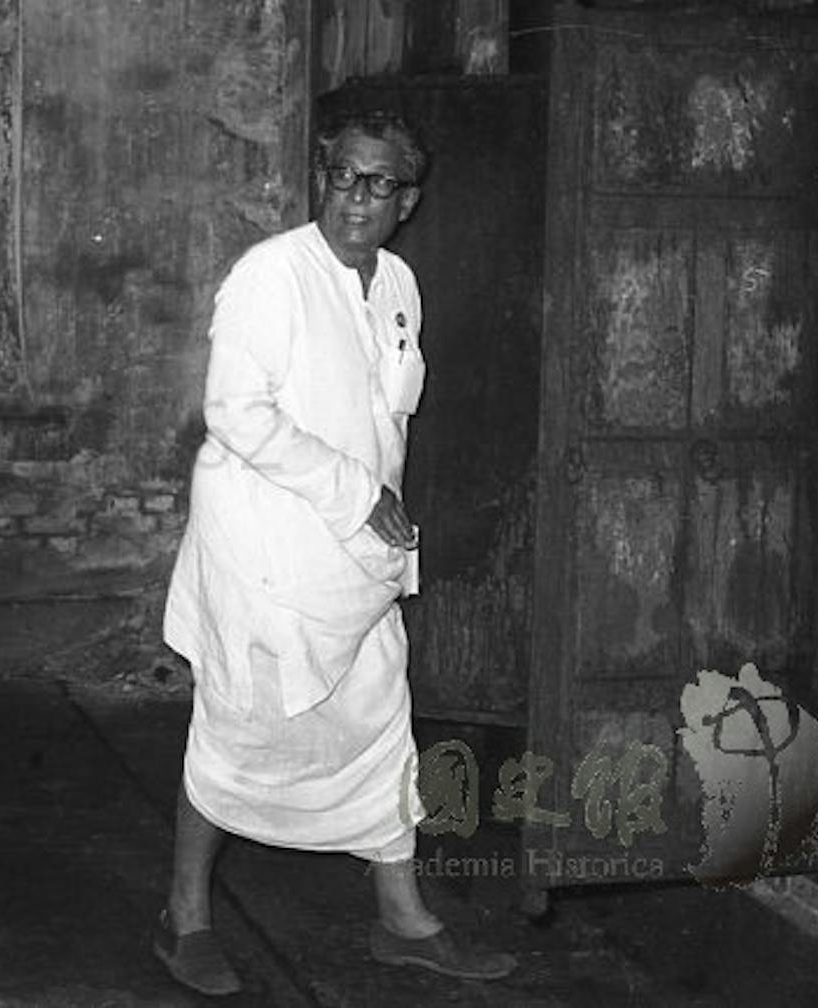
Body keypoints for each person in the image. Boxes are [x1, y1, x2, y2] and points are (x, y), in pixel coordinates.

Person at [153, 112, 514, 995]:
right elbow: (237, 413)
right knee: (239, 731)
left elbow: (388, 424)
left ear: (408, 200)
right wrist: (357, 496)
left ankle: (405, 921)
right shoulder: (271, 276)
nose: (358, 197)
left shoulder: (397, 284)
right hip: (266, 549)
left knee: (378, 723)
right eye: (344, 177)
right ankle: (183, 917)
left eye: (380, 182)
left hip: (355, 562)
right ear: (322, 181)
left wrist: (379, 528)